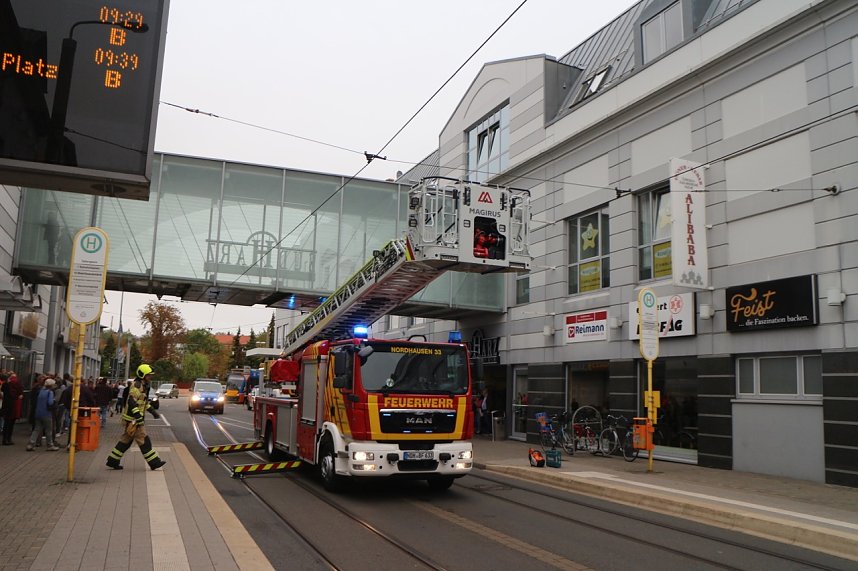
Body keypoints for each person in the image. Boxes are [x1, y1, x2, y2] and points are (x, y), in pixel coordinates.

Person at [106, 364, 166, 471]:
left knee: (126, 441)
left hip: (132, 420)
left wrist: (152, 411)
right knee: (144, 440)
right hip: (133, 420)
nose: (150, 377)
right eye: (148, 375)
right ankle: (154, 462)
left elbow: (142, 403)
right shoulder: (137, 386)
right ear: (142, 375)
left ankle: (112, 460)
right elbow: (132, 402)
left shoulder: (143, 385)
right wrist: (138, 416)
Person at [26, 378, 59, 451]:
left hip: (38, 413)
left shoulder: (41, 391)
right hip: (46, 413)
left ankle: (30, 444)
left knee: (36, 429)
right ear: (51, 385)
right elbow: (50, 403)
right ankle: (50, 445)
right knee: (48, 430)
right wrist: (54, 401)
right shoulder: (50, 392)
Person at [2, 373, 24, 445]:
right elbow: (20, 392)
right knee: (11, 423)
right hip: (14, 406)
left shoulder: (5, 385)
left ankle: (5, 439)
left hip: (7, 406)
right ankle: (8, 438)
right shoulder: (18, 385)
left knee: (6, 423)